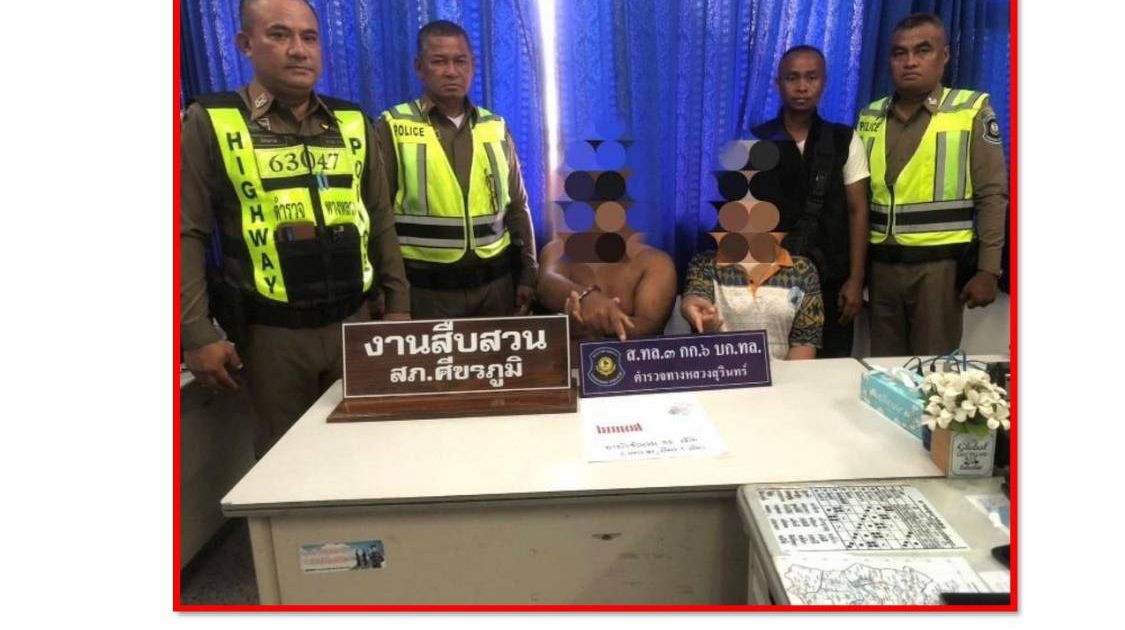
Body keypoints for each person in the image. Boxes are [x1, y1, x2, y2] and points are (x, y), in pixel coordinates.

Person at [180, 0, 409, 457]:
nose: (299, 50)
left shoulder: (353, 122)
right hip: (272, 335)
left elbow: (380, 216)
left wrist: (399, 306)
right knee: (285, 463)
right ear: (245, 44)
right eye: (279, 35)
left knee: (368, 450)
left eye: (309, 37)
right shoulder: (212, 121)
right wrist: (196, 333)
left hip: (355, 322)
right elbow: (187, 232)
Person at [855, 13, 1008, 356]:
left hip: (939, 271)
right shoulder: (870, 116)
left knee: (933, 370)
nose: (910, 61)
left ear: (945, 55)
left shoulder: (971, 110)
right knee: (885, 372)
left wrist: (988, 269)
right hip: (881, 270)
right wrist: (856, 273)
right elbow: (857, 201)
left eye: (923, 50)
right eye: (900, 53)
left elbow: (992, 195)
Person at [375, 20, 538, 319]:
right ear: (419, 67)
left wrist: (529, 272)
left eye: (460, 61)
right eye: (439, 61)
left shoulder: (495, 126)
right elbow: (378, 216)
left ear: (472, 66)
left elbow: (518, 206)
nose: (451, 71)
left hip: (496, 290)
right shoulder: (393, 126)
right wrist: (389, 292)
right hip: (424, 294)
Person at [749, 45, 870, 358]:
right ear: (778, 83)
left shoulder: (845, 139)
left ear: (823, 82)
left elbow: (858, 211)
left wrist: (856, 280)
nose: (802, 87)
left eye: (811, 78)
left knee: (829, 371)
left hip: (832, 281)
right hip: (771, 282)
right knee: (773, 372)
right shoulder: (753, 141)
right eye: (792, 78)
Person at [681, 236, 824, 361]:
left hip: (783, 380)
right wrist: (697, 312)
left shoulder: (803, 271)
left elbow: (805, 343)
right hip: (722, 376)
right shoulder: (705, 264)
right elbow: (696, 294)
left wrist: (785, 383)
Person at [536, 238, 676, 341]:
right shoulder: (557, 249)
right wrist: (587, 298)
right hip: (562, 364)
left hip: (635, 366)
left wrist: (601, 324)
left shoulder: (656, 262)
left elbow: (651, 328)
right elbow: (546, 283)